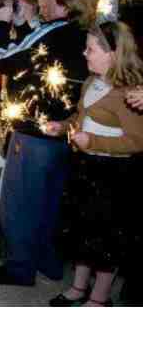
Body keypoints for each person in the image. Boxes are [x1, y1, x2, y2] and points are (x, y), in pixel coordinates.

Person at [0, 0, 100, 287]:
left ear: (63, 1)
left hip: (34, 131)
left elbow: (2, 57)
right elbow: (35, 58)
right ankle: (49, 261)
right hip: (68, 131)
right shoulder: (90, 34)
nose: (44, 2)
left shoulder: (53, 30)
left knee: (19, 202)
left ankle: (20, 268)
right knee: (52, 202)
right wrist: (23, 26)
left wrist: (2, 23)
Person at [45, 21, 143, 306]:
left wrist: (94, 142)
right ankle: (78, 287)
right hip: (85, 167)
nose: (84, 53)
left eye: (90, 49)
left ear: (112, 53)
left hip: (112, 174)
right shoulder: (91, 82)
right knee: (83, 230)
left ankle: (99, 299)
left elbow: (137, 141)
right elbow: (80, 118)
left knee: (105, 237)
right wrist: (64, 127)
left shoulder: (129, 92)